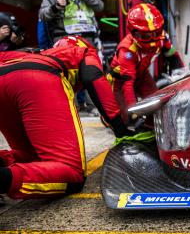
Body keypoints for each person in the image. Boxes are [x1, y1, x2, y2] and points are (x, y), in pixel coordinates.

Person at [0, 36, 132, 200]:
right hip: (35, 78)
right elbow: (93, 78)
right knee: (72, 173)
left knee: (32, 159)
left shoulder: (40, 53)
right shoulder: (83, 51)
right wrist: (121, 130)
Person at [110, 3, 184, 122]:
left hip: (142, 74)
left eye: (156, 33)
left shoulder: (163, 37)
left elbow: (173, 57)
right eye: (145, 36)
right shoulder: (127, 50)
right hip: (120, 81)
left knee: (156, 105)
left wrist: (182, 74)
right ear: (134, 33)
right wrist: (133, 110)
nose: (152, 40)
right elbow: (127, 83)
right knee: (125, 118)